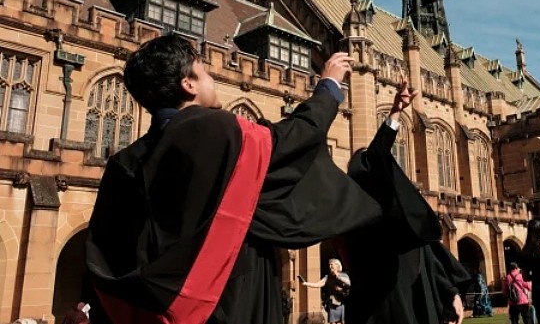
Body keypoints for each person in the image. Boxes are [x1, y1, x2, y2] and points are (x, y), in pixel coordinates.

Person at [85, 35, 383, 324]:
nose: (211, 79)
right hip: (235, 293)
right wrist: (328, 86)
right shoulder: (216, 131)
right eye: (204, 72)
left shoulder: (123, 165)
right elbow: (291, 141)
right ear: (188, 84)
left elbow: (105, 257)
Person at [342, 75, 471, 324]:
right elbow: (377, 156)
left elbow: (431, 259)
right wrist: (395, 113)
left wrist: (451, 293)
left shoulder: (400, 225)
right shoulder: (363, 224)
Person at [299, 259, 350, 324]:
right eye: (329, 265)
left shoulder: (343, 275)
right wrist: (306, 283)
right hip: (332, 302)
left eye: (332, 264)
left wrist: (337, 275)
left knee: (341, 321)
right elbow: (318, 284)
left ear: (337, 265)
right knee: (332, 321)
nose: (330, 266)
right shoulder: (327, 277)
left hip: (340, 301)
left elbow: (348, 283)